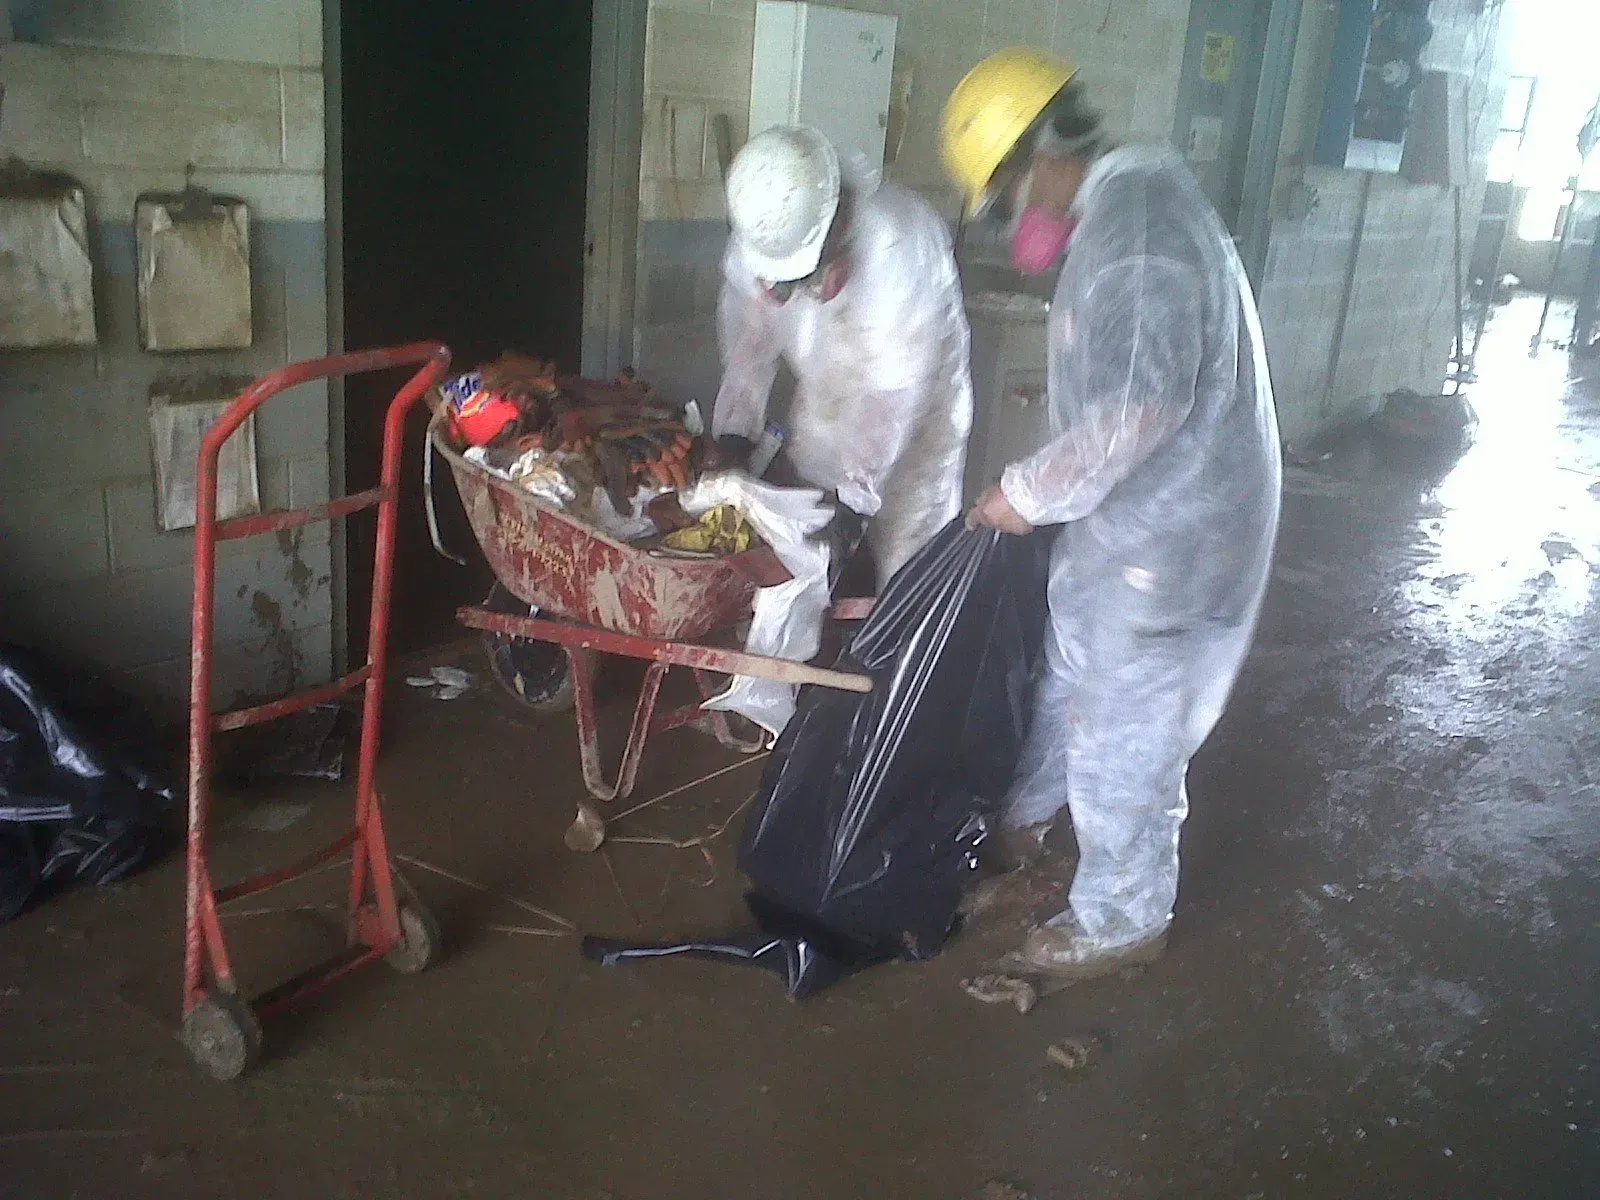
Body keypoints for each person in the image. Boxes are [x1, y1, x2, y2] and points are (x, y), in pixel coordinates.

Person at [940, 50, 1282, 979]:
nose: (1016, 219)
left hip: (1172, 541)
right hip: (1131, 530)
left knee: (1125, 728)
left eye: (1007, 197)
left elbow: (1138, 409)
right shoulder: (1124, 214)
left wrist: (1025, 493)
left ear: (1047, 154)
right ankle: (1023, 825)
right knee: (1066, 680)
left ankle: (1122, 918)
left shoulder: (1138, 232)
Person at [712, 124, 974, 589]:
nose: (789, 294)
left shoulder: (899, 247)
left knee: (905, 574)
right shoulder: (765, 236)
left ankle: (891, 631)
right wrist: (734, 429)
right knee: (809, 556)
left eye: (801, 281)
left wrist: (856, 502)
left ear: (836, 231)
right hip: (828, 407)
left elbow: (891, 397)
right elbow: (749, 340)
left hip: (917, 432)